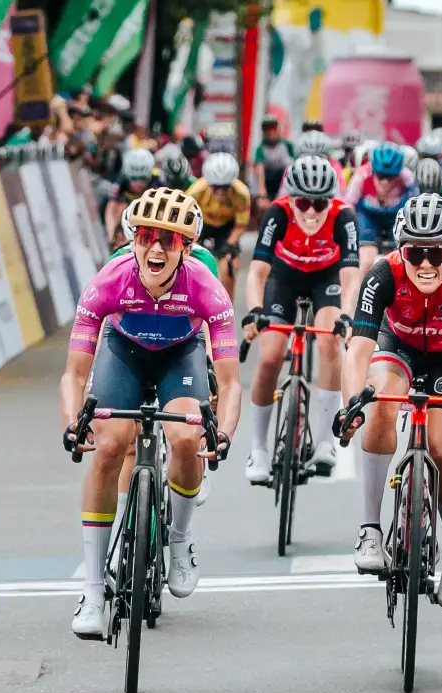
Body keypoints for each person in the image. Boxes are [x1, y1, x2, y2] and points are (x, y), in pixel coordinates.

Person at [59, 187, 241, 639]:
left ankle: (179, 539)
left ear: (187, 248)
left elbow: (230, 382)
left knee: (186, 439)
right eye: (146, 236)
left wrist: (223, 433)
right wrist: (72, 422)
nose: (156, 248)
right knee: (110, 447)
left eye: (169, 240)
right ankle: (93, 591)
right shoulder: (109, 280)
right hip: (123, 351)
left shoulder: (206, 286)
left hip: (181, 354)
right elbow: (74, 373)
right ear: (133, 239)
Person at [336, 193, 442, 608]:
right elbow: (358, 350)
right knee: (382, 404)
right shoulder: (383, 273)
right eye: (415, 253)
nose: (425, 263)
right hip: (399, 347)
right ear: (401, 251)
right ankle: (370, 529)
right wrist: (350, 404)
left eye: (436, 253)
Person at [239, 154, 361, 482]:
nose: (310, 212)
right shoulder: (277, 213)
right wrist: (256, 311)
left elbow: (351, 277)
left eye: (319, 204)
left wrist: (346, 316)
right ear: (291, 199)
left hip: (326, 279)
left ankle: (324, 442)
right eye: (303, 202)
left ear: (330, 201)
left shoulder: (344, 217)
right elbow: (258, 272)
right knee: (270, 356)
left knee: (329, 343)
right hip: (284, 278)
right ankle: (258, 448)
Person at [186, 150, 253, 291]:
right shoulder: (195, 192)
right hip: (202, 226)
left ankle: (226, 302)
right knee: (191, 264)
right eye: (216, 188)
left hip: (227, 228)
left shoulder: (242, 194)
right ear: (208, 183)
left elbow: (241, 225)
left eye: (225, 187)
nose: (220, 193)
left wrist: (230, 244)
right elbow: (185, 220)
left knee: (229, 266)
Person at [345, 140, 417, 271]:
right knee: (366, 260)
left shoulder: (407, 177)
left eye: (390, 177)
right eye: (380, 176)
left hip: (396, 215)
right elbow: (349, 207)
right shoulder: (361, 174)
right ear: (372, 171)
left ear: (399, 173)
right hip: (368, 216)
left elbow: (415, 206)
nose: (385, 182)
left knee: (400, 259)